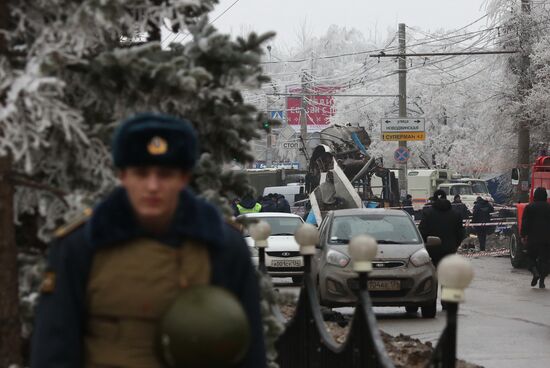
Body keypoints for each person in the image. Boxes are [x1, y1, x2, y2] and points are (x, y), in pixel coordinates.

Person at [31, 113, 266, 367]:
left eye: (165, 174)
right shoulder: (82, 246)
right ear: (123, 176)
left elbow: (248, 351)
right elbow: (55, 350)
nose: (153, 186)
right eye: (141, 173)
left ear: (184, 178)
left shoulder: (221, 246)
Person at [419, 190, 465, 267]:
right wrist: (456, 244)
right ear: (446, 198)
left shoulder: (428, 213)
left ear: (434, 199)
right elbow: (460, 232)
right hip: (450, 248)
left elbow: (422, 230)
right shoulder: (456, 214)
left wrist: (425, 244)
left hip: (432, 250)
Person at [521, 187, 550, 288]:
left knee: (529, 257)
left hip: (533, 238)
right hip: (546, 239)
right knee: (544, 260)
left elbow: (525, 223)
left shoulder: (529, 207)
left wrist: (523, 235)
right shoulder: (548, 207)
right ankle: (542, 281)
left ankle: (535, 272)